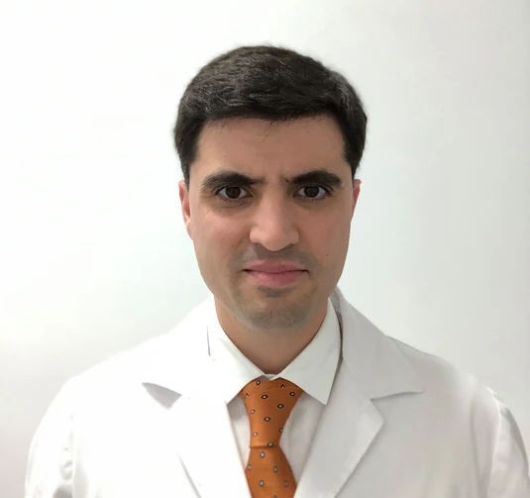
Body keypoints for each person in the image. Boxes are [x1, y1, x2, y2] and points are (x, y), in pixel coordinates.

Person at [26, 46, 529, 497]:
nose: (273, 234)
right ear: (187, 207)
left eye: (311, 191)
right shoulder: (84, 429)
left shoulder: (473, 431)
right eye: (232, 192)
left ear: (352, 203)